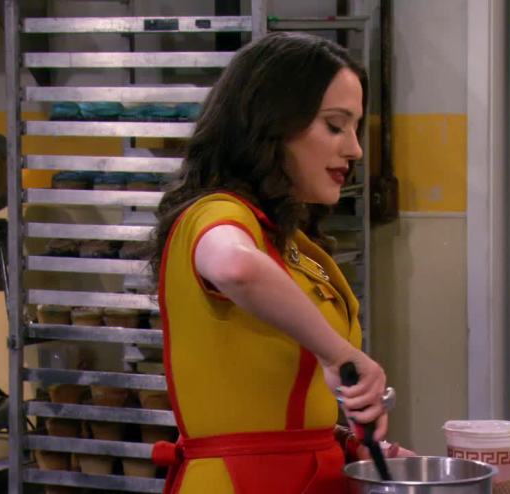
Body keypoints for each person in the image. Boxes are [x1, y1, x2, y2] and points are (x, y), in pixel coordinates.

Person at [148, 31, 395, 493]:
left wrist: (341, 443)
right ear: (270, 124)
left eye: (355, 128)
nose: (355, 149)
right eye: (335, 125)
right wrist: (339, 353)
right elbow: (236, 268)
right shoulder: (215, 213)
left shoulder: (292, 244)